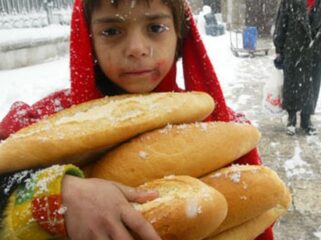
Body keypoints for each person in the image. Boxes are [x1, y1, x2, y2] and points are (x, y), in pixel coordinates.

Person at [0, 0, 274, 239]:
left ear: (180, 34)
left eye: (155, 28)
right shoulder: (44, 121)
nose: (137, 48)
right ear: (87, 38)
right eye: (111, 31)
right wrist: (58, 193)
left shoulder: (222, 130)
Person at [273, 0, 321, 135]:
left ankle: (306, 119)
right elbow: (282, 20)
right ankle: (291, 118)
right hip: (293, 47)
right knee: (292, 83)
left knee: (312, 84)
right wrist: (279, 47)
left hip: (316, 50)